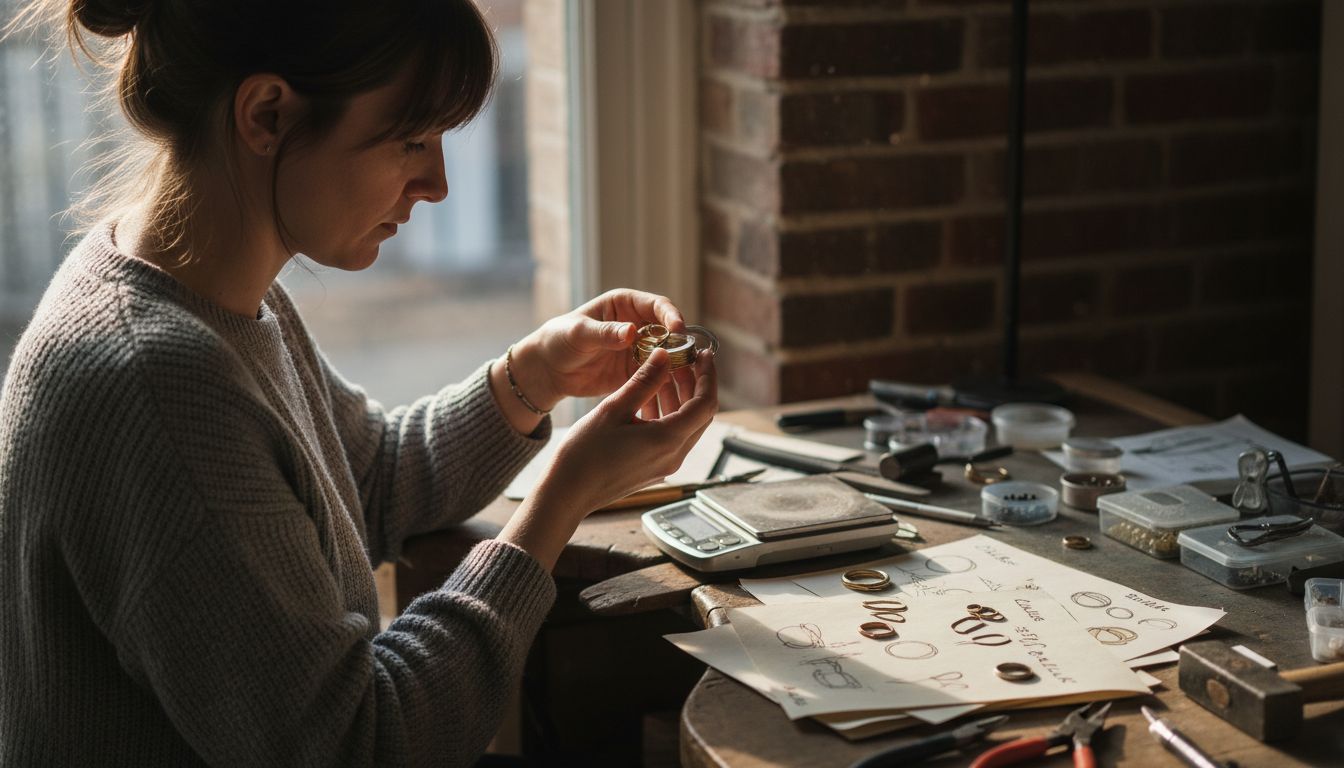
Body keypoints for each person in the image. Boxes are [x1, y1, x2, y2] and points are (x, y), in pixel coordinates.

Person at [0, 0, 717, 765]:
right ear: (268, 114)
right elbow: (362, 742)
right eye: (412, 139)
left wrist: (532, 376)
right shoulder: (157, 382)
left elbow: (365, 481)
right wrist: (565, 494)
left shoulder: (212, 292)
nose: (437, 183)